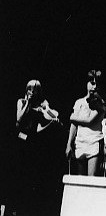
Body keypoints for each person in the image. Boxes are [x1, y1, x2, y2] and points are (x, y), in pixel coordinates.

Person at [13, 80, 61, 213]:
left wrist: (51, 123)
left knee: (31, 177)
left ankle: (28, 208)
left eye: (35, 90)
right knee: (19, 176)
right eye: (30, 89)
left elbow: (38, 129)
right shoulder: (21, 102)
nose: (32, 92)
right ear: (27, 90)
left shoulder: (40, 108)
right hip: (20, 141)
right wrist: (27, 103)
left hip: (32, 143)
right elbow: (18, 119)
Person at [65, 69, 105, 176]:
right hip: (80, 142)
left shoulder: (100, 103)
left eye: (97, 84)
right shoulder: (79, 102)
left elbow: (89, 121)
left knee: (91, 179)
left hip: (94, 141)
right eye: (92, 83)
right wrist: (69, 144)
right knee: (80, 178)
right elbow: (74, 125)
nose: (94, 87)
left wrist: (72, 117)